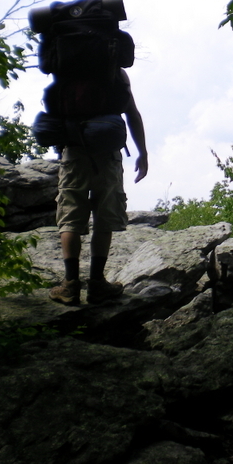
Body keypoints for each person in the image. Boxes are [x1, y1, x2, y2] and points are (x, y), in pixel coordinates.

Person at [49, 69, 148, 306]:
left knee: (71, 215)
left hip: (74, 149)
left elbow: (54, 109)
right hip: (108, 152)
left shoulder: (67, 68)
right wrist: (142, 152)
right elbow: (132, 113)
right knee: (105, 215)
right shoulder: (116, 72)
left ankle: (70, 285)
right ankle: (97, 283)